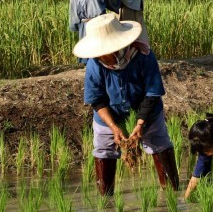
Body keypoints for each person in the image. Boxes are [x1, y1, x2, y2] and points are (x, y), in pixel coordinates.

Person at [76, 13, 179, 196]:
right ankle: (105, 199)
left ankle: (171, 193)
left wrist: (140, 123)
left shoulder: (143, 56)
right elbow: (97, 99)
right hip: (110, 114)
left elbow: (152, 93)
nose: (100, 57)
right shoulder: (95, 64)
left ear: (116, 47)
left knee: (159, 142)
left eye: (103, 52)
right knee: (103, 148)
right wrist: (113, 127)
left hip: (147, 111)